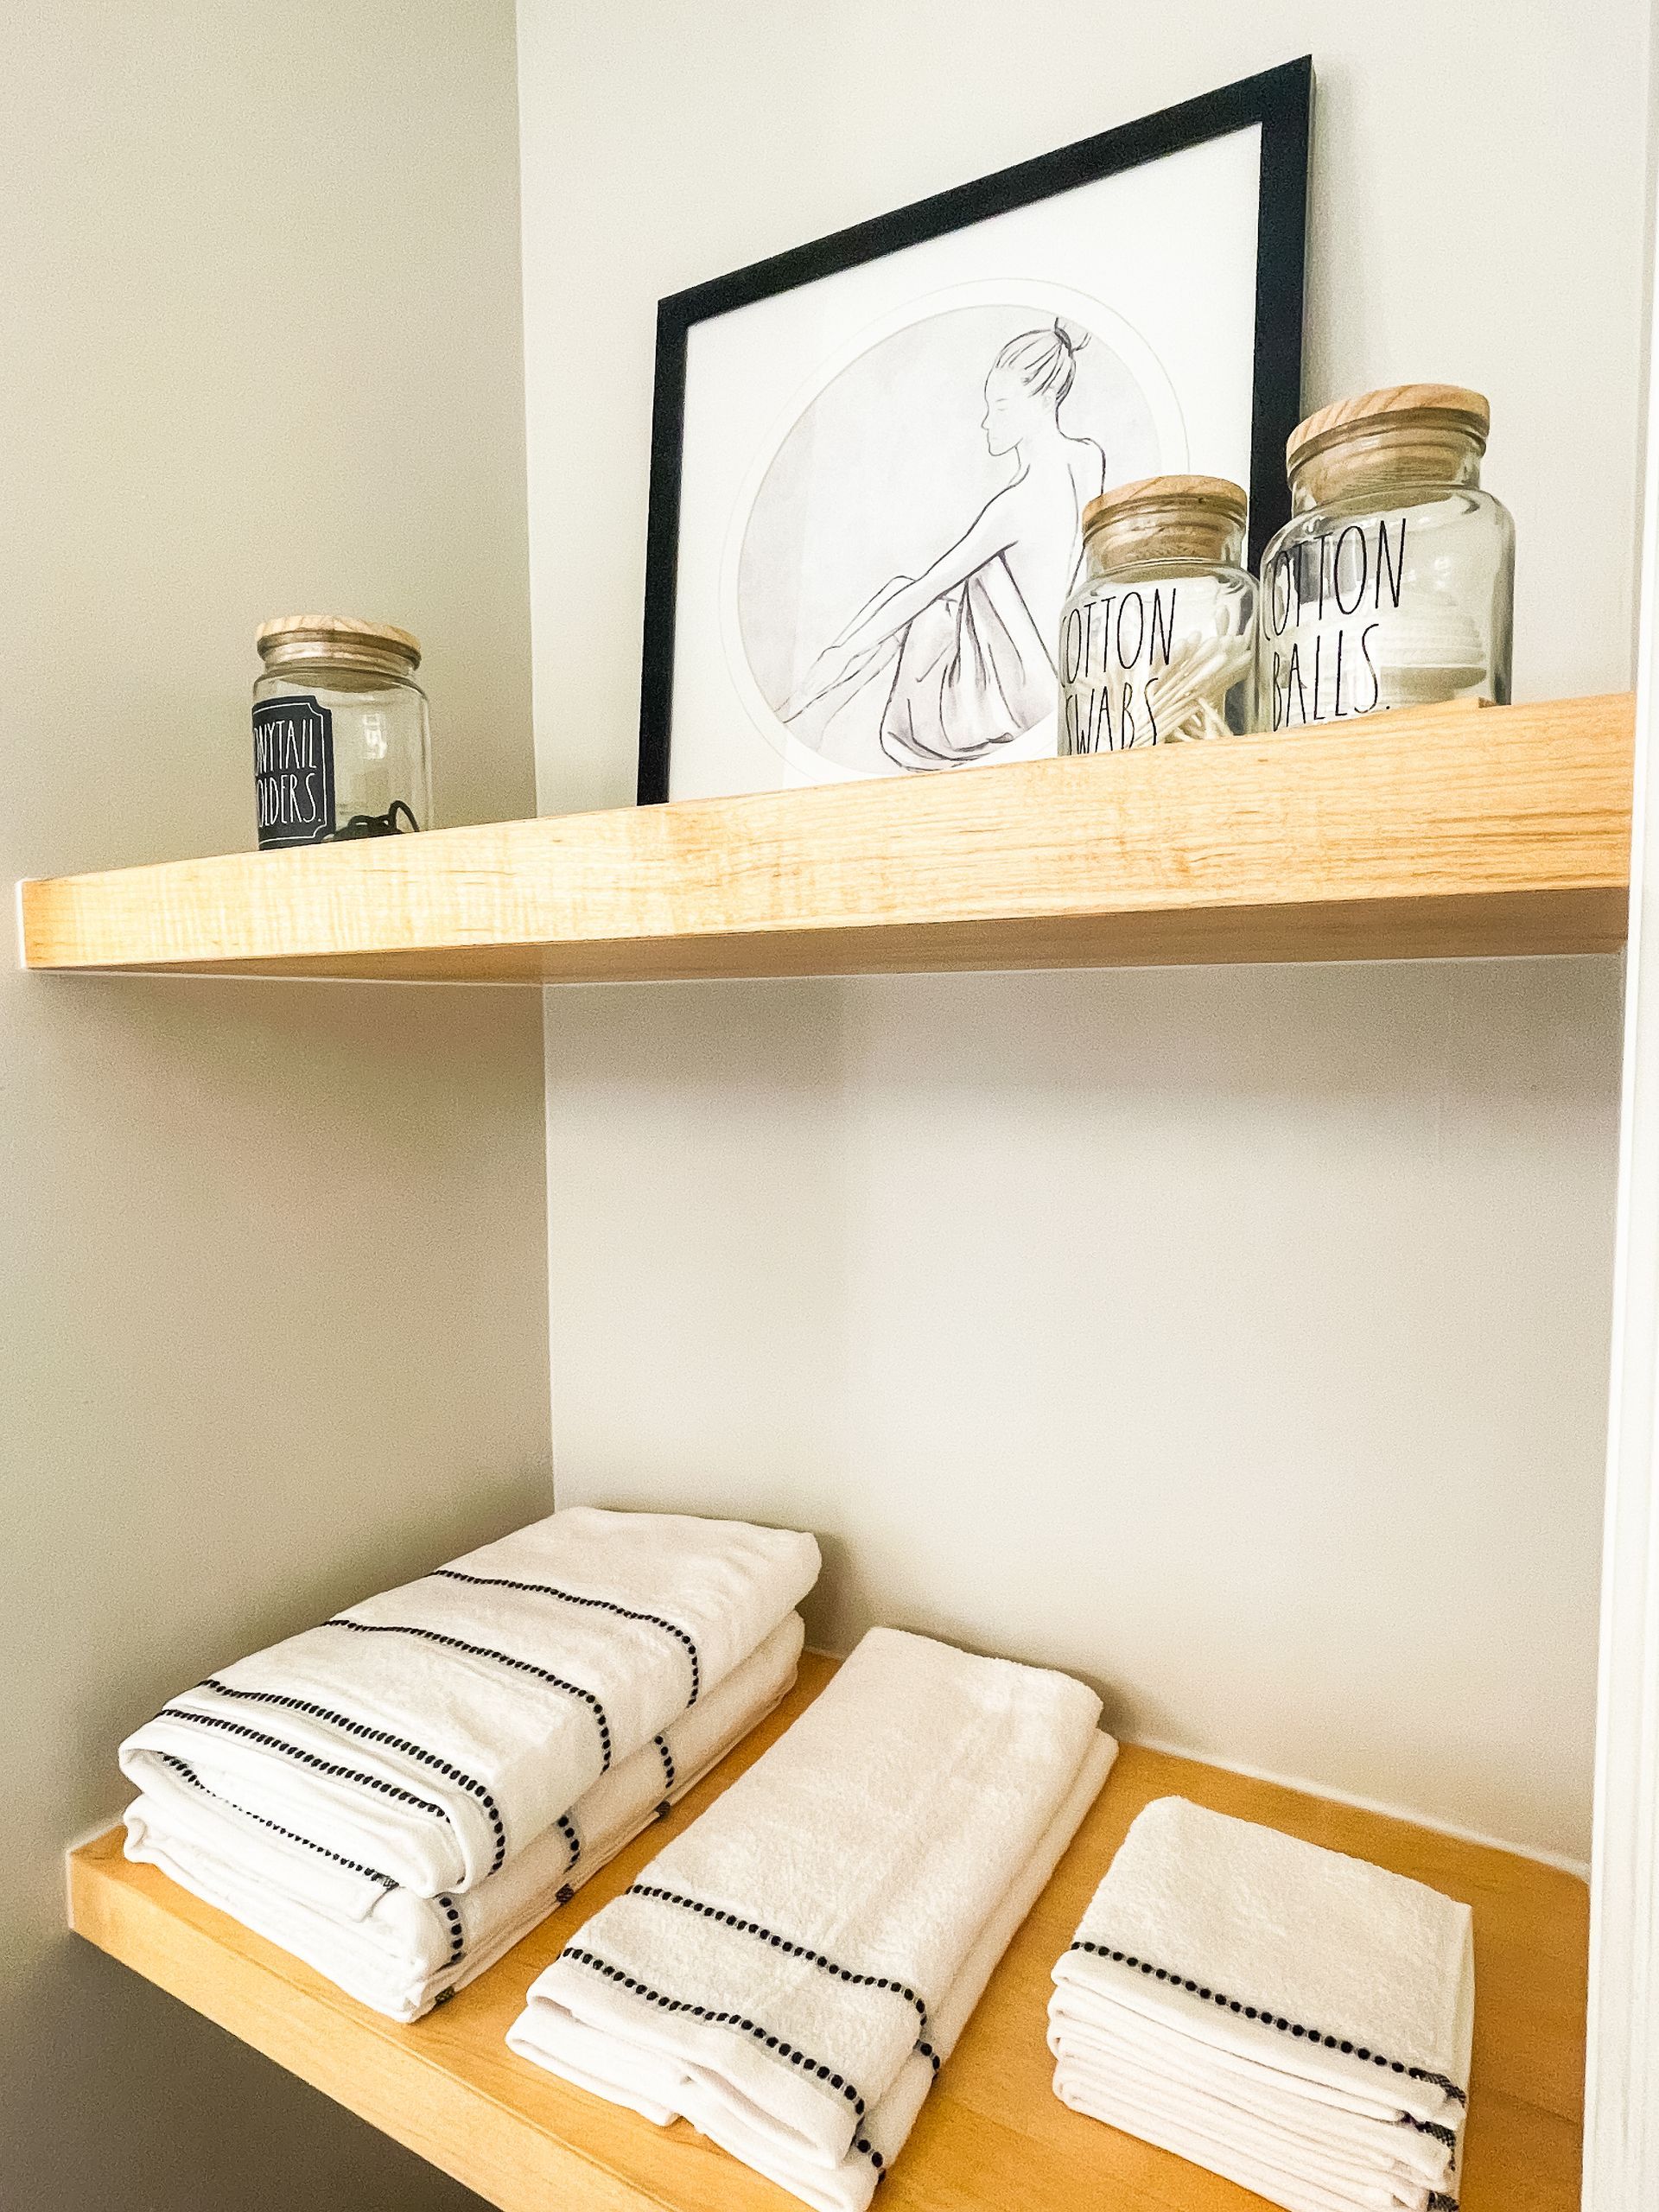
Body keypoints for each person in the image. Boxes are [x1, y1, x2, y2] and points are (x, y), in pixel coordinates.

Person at [780, 320, 1107, 769]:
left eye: (1002, 407)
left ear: (1046, 398)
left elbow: (922, 592)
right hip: (1059, 677)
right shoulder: (1089, 457)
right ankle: (814, 714)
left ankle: (811, 708)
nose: (987, 421)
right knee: (948, 591)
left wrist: (830, 662)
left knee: (920, 598)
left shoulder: (1012, 507)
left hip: (1012, 705)